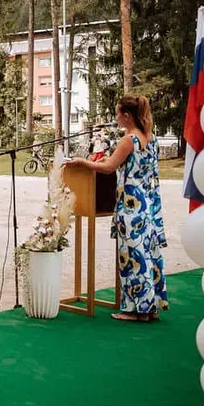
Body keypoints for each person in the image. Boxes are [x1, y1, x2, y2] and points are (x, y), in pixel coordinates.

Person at [64, 95, 167, 323]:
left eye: (118, 113)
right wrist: (96, 161)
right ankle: (148, 308)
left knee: (131, 257)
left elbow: (109, 167)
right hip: (147, 204)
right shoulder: (151, 137)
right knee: (146, 256)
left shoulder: (129, 139)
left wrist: (81, 162)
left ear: (127, 116)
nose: (116, 117)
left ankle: (133, 310)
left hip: (131, 205)